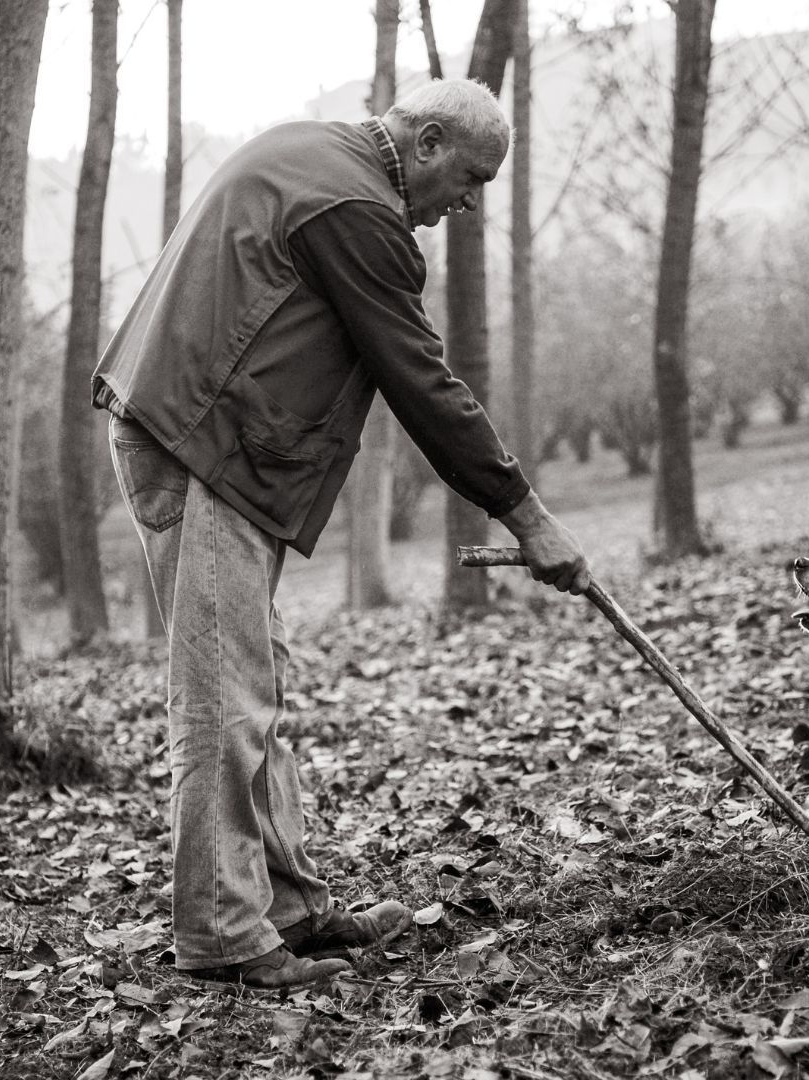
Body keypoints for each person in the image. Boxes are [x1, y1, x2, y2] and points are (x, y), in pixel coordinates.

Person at [92, 78, 590, 989]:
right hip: (202, 445)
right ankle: (223, 938)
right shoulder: (356, 207)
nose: (469, 203)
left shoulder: (313, 152)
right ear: (427, 142)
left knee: (255, 686)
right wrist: (524, 511)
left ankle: (287, 910)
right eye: (470, 178)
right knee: (224, 701)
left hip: (203, 437)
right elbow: (420, 380)